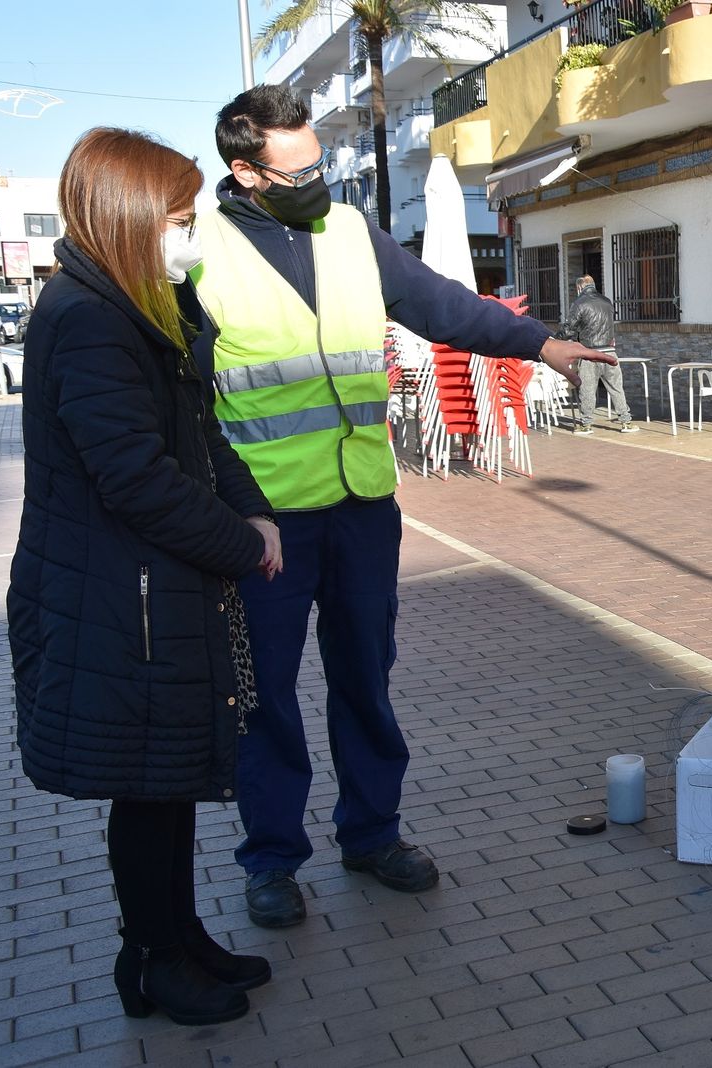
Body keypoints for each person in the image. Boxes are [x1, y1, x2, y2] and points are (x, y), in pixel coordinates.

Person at [195, 85, 614, 929]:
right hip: (265, 523)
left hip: (361, 506)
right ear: (245, 171)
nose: (318, 178)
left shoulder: (349, 232)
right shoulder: (199, 253)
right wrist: (224, 508)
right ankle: (272, 862)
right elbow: (187, 399)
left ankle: (373, 834)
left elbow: (441, 306)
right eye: (299, 168)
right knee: (265, 695)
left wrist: (542, 343)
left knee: (365, 680)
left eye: (320, 160)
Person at [8, 128, 283, 1025]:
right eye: (178, 218)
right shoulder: (86, 318)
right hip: (120, 601)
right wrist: (243, 547)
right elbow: (135, 478)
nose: (190, 235)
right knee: (148, 785)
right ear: (129, 219)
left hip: (155, 595)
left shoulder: (144, 305)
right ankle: (151, 961)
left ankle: (179, 938)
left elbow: (202, 435)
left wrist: (254, 509)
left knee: (168, 781)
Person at [560, 274, 636, 434]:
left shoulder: (579, 303)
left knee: (587, 390)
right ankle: (626, 422)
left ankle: (586, 424)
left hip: (590, 354)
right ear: (593, 285)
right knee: (616, 389)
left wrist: (557, 338)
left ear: (580, 287)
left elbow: (569, 329)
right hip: (610, 353)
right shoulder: (607, 302)